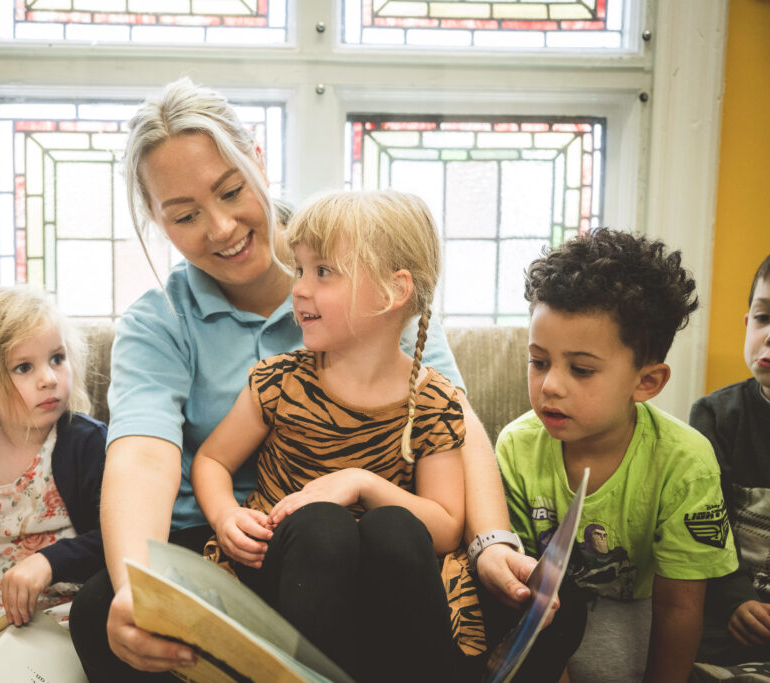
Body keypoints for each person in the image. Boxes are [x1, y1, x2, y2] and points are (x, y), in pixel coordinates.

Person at [68, 77, 536, 680]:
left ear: (258, 160)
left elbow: (453, 423)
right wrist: (139, 582)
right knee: (100, 611)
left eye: (232, 190)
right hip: (238, 544)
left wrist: (491, 540)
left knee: (539, 602)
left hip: (377, 545)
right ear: (160, 224)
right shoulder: (160, 320)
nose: (220, 228)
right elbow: (142, 458)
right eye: (184, 216)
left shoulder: (367, 277)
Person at [191, 189, 466, 681]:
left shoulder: (433, 401)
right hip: (282, 575)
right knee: (323, 525)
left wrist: (360, 481)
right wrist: (226, 515)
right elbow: (212, 461)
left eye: (323, 272)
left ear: (392, 291)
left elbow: (446, 527)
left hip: (379, 595)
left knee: (395, 527)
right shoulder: (278, 382)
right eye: (299, 269)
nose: (298, 289)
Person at [496, 229, 740, 683]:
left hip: (644, 637)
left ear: (646, 382)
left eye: (581, 369)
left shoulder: (685, 462)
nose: (550, 385)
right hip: (547, 641)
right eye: (539, 361)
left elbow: (680, 607)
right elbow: (523, 603)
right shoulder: (515, 446)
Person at [0, 286, 107, 626]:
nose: (49, 379)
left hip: (79, 602)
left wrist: (48, 561)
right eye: (23, 367)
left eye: (57, 359)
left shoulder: (87, 442)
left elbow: (119, 536)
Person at [690, 254, 770, 682]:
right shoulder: (715, 417)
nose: (769, 336)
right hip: (730, 620)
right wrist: (735, 599)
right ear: (747, 324)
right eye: (763, 317)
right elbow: (703, 529)